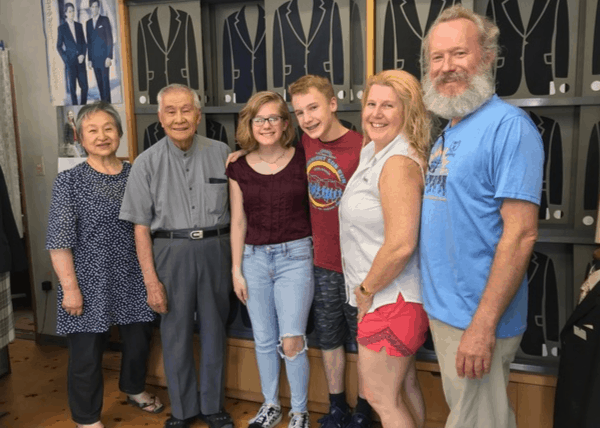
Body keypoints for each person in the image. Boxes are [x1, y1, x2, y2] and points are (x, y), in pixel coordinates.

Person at [419, 5, 544, 428]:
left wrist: (482, 327)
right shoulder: (450, 129)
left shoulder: (510, 127)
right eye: (437, 58)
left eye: (458, 54)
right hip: (448, 313)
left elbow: (522, 235)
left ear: (487, 57)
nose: (446, 67)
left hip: (476, 318)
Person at [119, 84, 233, 428]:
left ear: (198, 115)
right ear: (160, 117)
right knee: (175, 334)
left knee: (215, 330)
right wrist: (151, 281)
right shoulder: (145, 163)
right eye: (171, 111)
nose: (179, 118)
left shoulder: (223, 153)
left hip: (217, 249)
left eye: (186, 110)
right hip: (170, 251)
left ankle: (213, 406)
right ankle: (183, 410)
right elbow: (140, 227)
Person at [46, 101, 163, 428]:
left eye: (108, 128)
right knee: (86, 356)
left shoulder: (136, 175)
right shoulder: (69, 182)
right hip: (87, 281)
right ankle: (86, 418)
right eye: (92, 131)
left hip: (133, 276)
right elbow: (58, 240)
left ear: (120, 134)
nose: (102, 136)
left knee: (139, 342)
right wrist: (70, 288)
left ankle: (134, 388)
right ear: (81, 138)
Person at [339, 69, 432, 428]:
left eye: (388, 106)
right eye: (371, 104)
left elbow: (400, 244)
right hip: (392, 297)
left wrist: (364, 290)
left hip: (390, 298)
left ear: (407, 112)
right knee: (402, 386)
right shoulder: (375, 151)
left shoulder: (397, 163)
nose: (376, 113)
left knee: (379, 396)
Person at [288, 75, 372, 428]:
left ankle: (366, 409)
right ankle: (337, 405)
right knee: (329, 335)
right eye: (299, 112)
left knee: (364, 341)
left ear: (333, 104)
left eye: (313, 108)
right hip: (321, 262)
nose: (307, 118)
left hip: (360, 267)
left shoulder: (362, 146)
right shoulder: (305, 144)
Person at [226, 91, 313, 428]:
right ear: (249, 123)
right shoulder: (237, 166)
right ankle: (271, 404)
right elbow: (238, 221)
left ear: (285, 123)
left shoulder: (303, 157)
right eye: (258, 119)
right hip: (253, 259)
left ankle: (300, 412)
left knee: (292, 340)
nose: (265, 125)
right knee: (263, 339)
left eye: (273, 118)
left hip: (296, 256)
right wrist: (236, 269)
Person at [56, 2, 88, 105]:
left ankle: (83, 106)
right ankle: (75, 107)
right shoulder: (62, 28)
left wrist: (83, 54)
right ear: (65, 13)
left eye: (73, 11)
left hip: (81, 62)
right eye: (69, 11)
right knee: (73, 90)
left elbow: (84, 43)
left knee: (85, 87)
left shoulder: (79, 26)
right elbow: (59, 46)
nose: (72, 13)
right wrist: (66, 59)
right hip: (71, 62)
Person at [86, 0, 113, 102]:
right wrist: (89, 59)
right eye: (93, 7)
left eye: (96, 6)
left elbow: (109, 39)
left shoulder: (104, 20)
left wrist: (109, 56)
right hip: (94, 60)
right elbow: (88, 42)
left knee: (106, 85)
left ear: (99, 7)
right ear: (90, 8)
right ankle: (104, 105)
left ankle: (108, 106)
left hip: (104, 58)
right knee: (100, 85)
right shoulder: (88, 23)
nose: (95, 8)